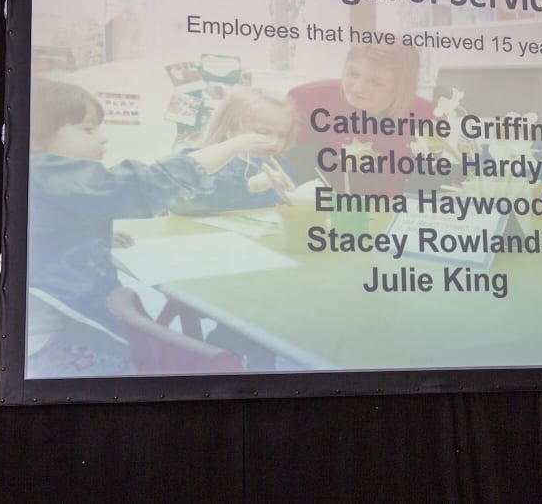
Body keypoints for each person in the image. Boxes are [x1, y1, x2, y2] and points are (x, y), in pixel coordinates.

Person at [26, 78, 273, 376]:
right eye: (88, 129)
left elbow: (48, 232)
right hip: (61, 333)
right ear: (34, 137)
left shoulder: (36, 178)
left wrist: (94, 236)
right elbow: (150, 182)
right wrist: (233, 146)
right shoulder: (45, 172)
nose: (103, 138)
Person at [287, 43, 435, 195]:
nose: (358, 88)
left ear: (401, 88)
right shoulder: (308, 99)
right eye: (353, 74)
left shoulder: (426, 116)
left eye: (376, 82)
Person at [171, 87, 297, 215]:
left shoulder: (280, 165)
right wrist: (248, 186)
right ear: (230, 129)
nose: (274, 142)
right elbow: (180, 201)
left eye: (282, 135)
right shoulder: (201, 160)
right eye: (263, 132)